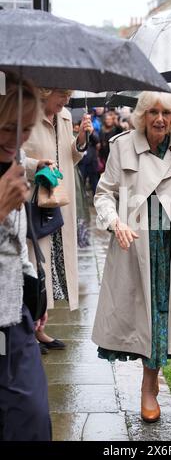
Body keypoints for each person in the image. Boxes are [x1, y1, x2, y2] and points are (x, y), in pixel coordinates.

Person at [92, 91, 171, 423]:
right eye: (153, 112)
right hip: (135, 241)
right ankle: (148, 386)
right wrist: (115, 222)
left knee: (161, 314)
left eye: (166, 112)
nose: (160, 119)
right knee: (142, 315)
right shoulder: (122, 146)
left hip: (170, 244)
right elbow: (104, 193)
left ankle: (149, 386)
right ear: (141, 116)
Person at [0, 72, 51, 440]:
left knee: (31, 418)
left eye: (26, 128)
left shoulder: (14, 160)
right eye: (7, 127)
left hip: (14, 317)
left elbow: (16, 242)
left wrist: (34, 288)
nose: (17, 139)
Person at [23, 88, 93, 353]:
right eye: (61, 95)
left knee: (50, 268)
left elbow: (70, 158)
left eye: (67, 95)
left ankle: (39, 328)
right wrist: (35, 165)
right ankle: (28, 331)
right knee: (34, 266)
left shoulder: (63, 117)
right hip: (33, 200)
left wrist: (81, 139)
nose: (66, 101)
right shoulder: (26, 114)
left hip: (59, 199)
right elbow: (12, 155)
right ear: (44, 92)